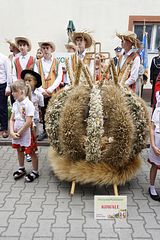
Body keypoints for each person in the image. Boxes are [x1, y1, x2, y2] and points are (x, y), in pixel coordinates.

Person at [10, 80, 39, 182]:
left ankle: (35, 171)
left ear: (21, 91)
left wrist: (19, 132)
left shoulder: (28, 104)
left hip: (27, 133)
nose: (12, 93)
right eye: (12, 91)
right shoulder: (15, 104)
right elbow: (12, 119)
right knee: (19, 150)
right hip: (17, 132)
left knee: (31, 152)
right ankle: (21, 168)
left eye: (14, 91)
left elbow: (28, 122)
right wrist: (12, 132)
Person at [34, 41, 63, 141]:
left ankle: (54, 132)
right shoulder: (37, 63)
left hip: (53, 91)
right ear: (41, 50)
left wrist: (50, 89)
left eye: (47, 48)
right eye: (44, 48)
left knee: (54, 111)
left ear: (51, 49)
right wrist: (42, 90)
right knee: (44, 111)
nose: (45, 50)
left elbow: (59, 77)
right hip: (42, 92)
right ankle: (45, 131)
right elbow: (36, 77)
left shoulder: (57, 62)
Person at [148, 93, 160, 201]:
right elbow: (151, 128)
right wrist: (153, 145)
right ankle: (152, 187)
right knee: (155, 165)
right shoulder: (157, 111)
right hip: (157, 143)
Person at [0, 51, 12, 138]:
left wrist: (8, 87)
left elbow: (8, 73)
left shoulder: (4, 58)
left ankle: (4, 129)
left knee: (2, 107)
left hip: (2, 84)